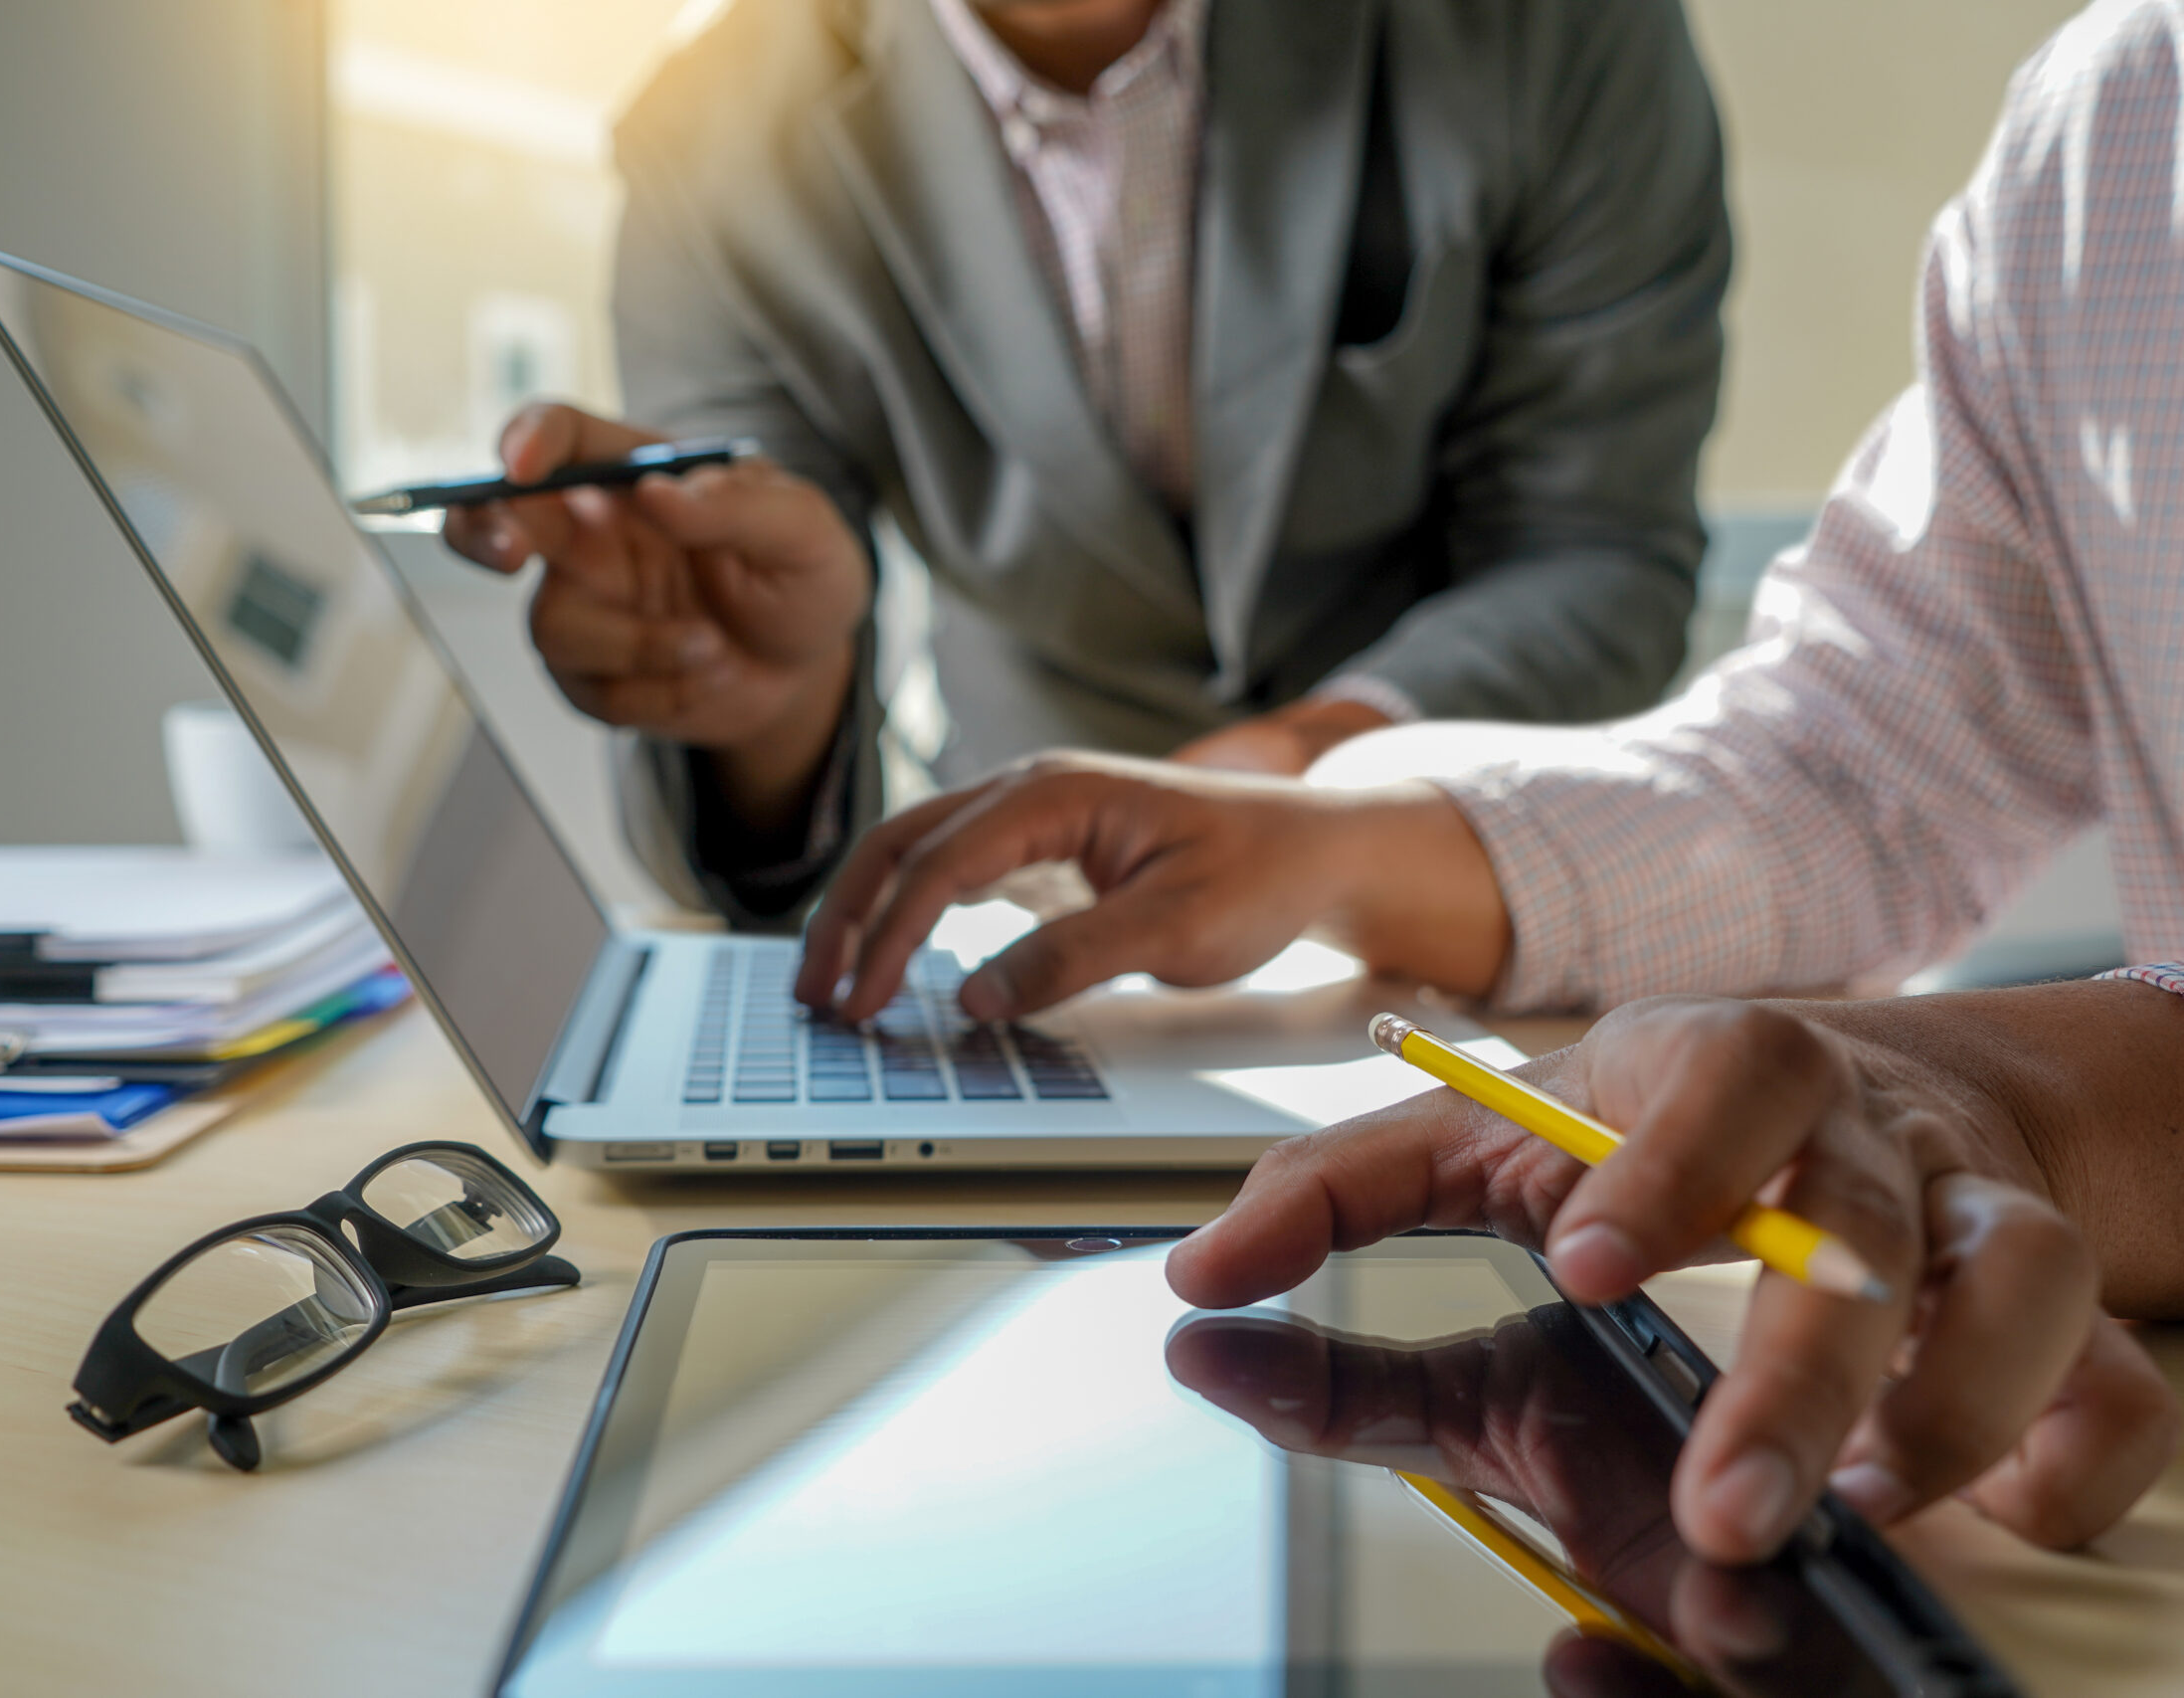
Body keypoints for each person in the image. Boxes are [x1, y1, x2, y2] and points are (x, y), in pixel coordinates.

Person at [795, 0, 2184, 1560]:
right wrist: (1332, 843)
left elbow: (1608, 569)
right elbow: (1862, 771)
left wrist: (2043, 1110)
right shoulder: (2125, 114)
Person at [446, 0, 1730, 923]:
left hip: (1459, 884)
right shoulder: (712, 145)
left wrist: (1317, 757)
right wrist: (771, 709)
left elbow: (1596, 551)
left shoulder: (1548, 31)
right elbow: (746, 615)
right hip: (1031, 916)